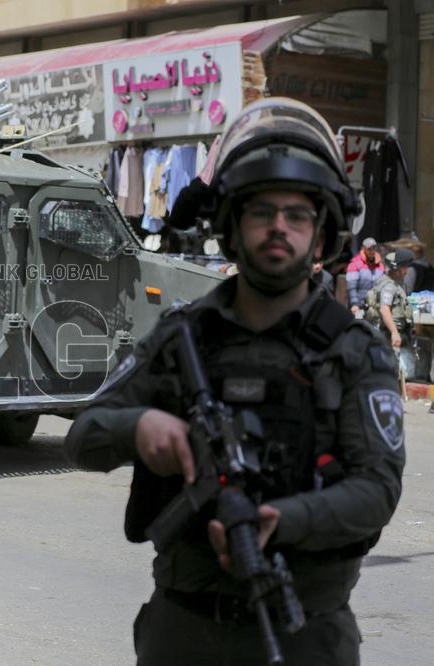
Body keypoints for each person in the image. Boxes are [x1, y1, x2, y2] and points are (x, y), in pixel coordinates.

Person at [65, 98, 405, 665]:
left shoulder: (355, 350)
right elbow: (85, 437)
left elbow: (376, 492)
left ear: (321, 236)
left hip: (304, 634)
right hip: (183, 629)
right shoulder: (183, 339)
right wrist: (140, 426)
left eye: (297, 215)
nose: (279, 227)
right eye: (260, 212)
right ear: (229, 225)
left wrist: (282, 521)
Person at [365, 248, 415, 353]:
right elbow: (384, 309)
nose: (406, 271)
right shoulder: (389, 286)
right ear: (396, 269)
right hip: (388, 336)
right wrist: (394, 333)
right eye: (404, 267)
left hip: (391, 334)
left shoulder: (394, 283)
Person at [345, 237, 384, 316]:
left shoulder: (380, 266)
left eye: (374, 248)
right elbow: (351, 287)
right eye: (369, 249)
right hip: (358, 306)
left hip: (375, 306)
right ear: (363, 249)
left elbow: (383, 285)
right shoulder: (355, 264)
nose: (372, 251)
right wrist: (354, 304)